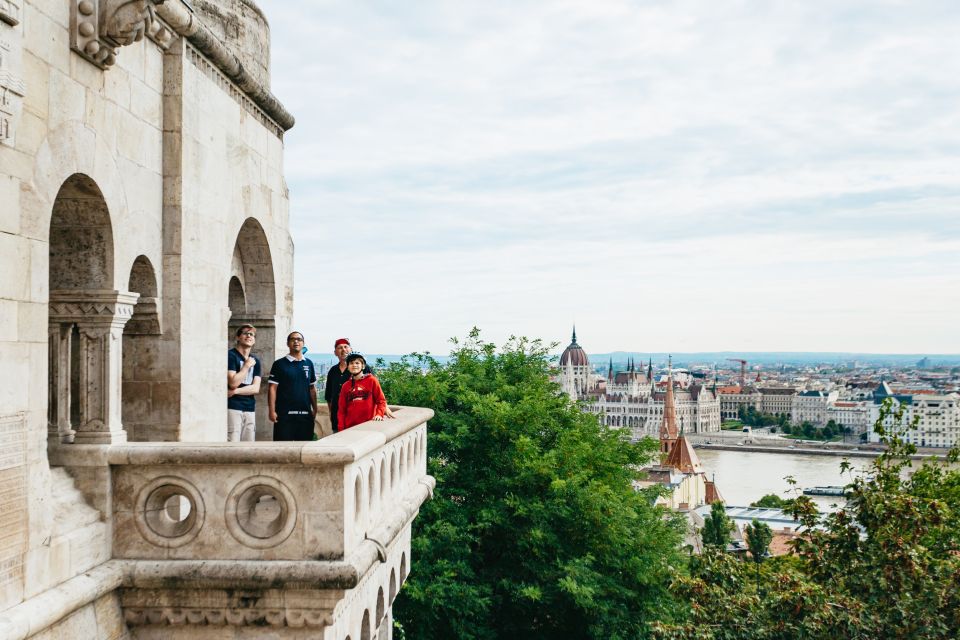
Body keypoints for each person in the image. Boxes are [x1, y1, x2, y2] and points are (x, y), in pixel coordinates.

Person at [267, 331, 317, 441]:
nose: (296, 341)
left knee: (304, 449)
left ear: (303, 343)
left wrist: (315, 408)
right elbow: (272, 388)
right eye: (293, 339)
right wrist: (272, 410)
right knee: (282, 449)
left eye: (299, 339)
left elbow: (312, 388)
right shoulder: (279, 364)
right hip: (284, 415)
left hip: (305, 415)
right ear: (288, 343)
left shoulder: (309, 363)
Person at [337, 353, 394, 430]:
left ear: (363, 366)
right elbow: (341, 410)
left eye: (357, 363)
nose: (354, 365)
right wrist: (341, 428)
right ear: (348, 367)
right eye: (351, 363)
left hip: (368, 425)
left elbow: (381, 400)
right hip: (350, 427)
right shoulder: (345, 386)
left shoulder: (372, 380)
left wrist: (379, 414)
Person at [325, 338, 371, 433]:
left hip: (357, 420)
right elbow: (329, 396)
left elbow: (374, 391)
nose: (343, 350)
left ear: (350, 349)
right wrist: (331, 413)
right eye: (340, 348)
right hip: (337, 420)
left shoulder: (363, 368)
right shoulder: (333, 371)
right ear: (335, 352)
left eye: (346, 347)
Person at [227, 324, 261, 441]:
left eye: (251, 334)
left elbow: (255, 388)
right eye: (245, 333)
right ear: (237, 337)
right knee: (232, 443)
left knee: (249, 446)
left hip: (250, 408)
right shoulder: (230, 356)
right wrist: (246, 366)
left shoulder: (255, 360)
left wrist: (235, 391)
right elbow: (233, 383)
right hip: (233, 407)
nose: (249, 336)